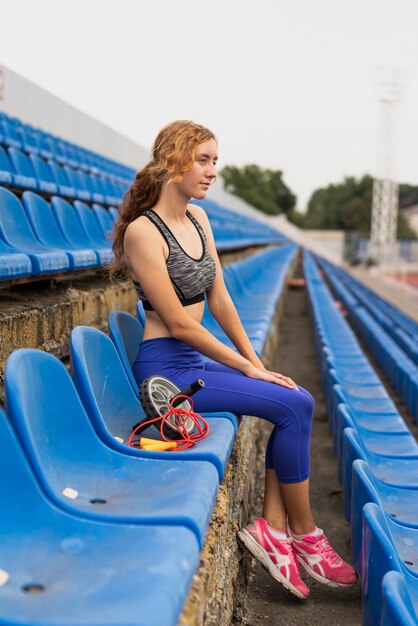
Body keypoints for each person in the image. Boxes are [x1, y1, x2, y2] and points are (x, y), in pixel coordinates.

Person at [111, 120, 357, 599]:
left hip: (196, 363)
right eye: (203, 160)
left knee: (293, 398)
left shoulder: (199, 220)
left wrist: (256, 361)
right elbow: (181, 324)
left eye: (214, 161)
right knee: (293, 405)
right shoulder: (144, 232)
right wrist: (247, 369)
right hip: (168, 371)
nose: (212, 171)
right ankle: (304, 537)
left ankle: (274, 526)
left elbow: (220, 300)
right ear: (171, 162)